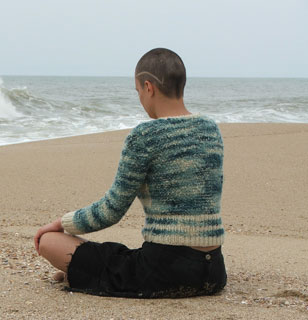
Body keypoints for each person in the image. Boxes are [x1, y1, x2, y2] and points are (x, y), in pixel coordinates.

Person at [34, 48, 227, 298]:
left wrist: (61, 223)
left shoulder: (145, 136)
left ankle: (81, 272)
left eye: (138, 92)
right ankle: (82, 273)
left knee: (49, 241)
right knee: (116, 255)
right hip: (214, 273)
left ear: (149, 87)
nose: (140, 99)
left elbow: (111, 210)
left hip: (164, 272)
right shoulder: (210, 129)